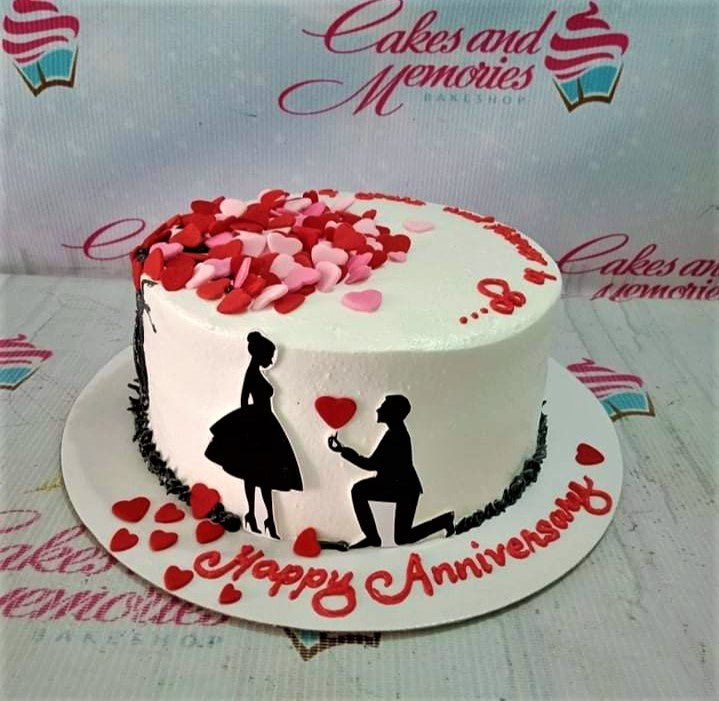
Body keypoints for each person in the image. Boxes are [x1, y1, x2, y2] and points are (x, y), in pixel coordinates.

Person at [205, 332, 302, 538]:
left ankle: (265, 518)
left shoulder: (256, 373)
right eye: (269, 355)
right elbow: (243, 400)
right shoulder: (252, 374)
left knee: (262, 474)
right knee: (255, 472)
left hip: (265, 422)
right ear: (260, 354)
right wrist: (247, 429)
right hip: (259, 424)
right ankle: (256, 515)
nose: (272, 360)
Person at [328, 394, 454, 548]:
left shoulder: (396, 436)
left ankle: (443, 521)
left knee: (401, 537)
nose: (378, 409)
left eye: (383, 407)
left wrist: (343, 451)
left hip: (405, 490)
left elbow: (371, 464)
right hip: (396, 485)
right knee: (359, 491)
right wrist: (343, 450)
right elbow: (374, 464)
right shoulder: (393, 432)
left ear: (392, 412)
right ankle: (373, 537)